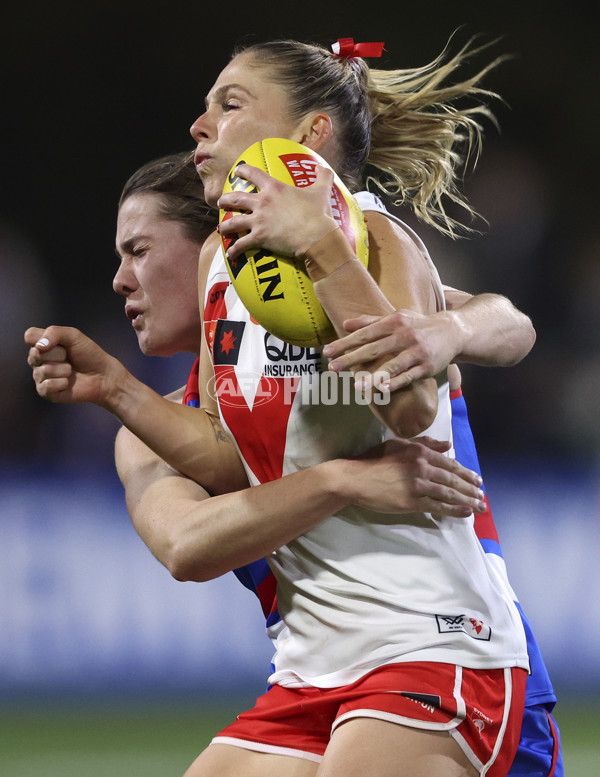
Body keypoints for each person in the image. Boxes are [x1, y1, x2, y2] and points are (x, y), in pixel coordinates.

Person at [24, 34, 544, 775]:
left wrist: (327, 249)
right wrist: (114, 386)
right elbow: (227, 456)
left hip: (429, 638)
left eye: (229, 105)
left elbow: (408, 408)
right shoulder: (222, 262)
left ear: (310, 135)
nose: (199, 126)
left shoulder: (381, 241)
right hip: (311, 663)